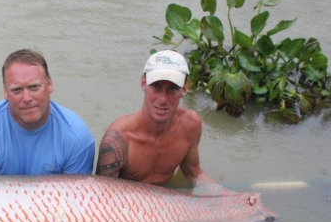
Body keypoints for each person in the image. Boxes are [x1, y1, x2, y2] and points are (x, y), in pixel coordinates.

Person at [96, 50, 237, 194]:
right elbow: (103, 196)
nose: (163, 99)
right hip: (128, 207)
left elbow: (193, 173)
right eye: (156, 87)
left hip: (168, 201)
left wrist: (228, 195)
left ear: (184, 89)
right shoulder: (118, 140)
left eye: (172, 89)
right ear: (143, 83)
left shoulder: (190, 125)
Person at [0, 49, 95, 176]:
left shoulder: (78, 138)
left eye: (34, 87)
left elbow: (71, 199)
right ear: (5, 92)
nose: (26, 98)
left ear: (49, 84)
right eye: (17, 90)